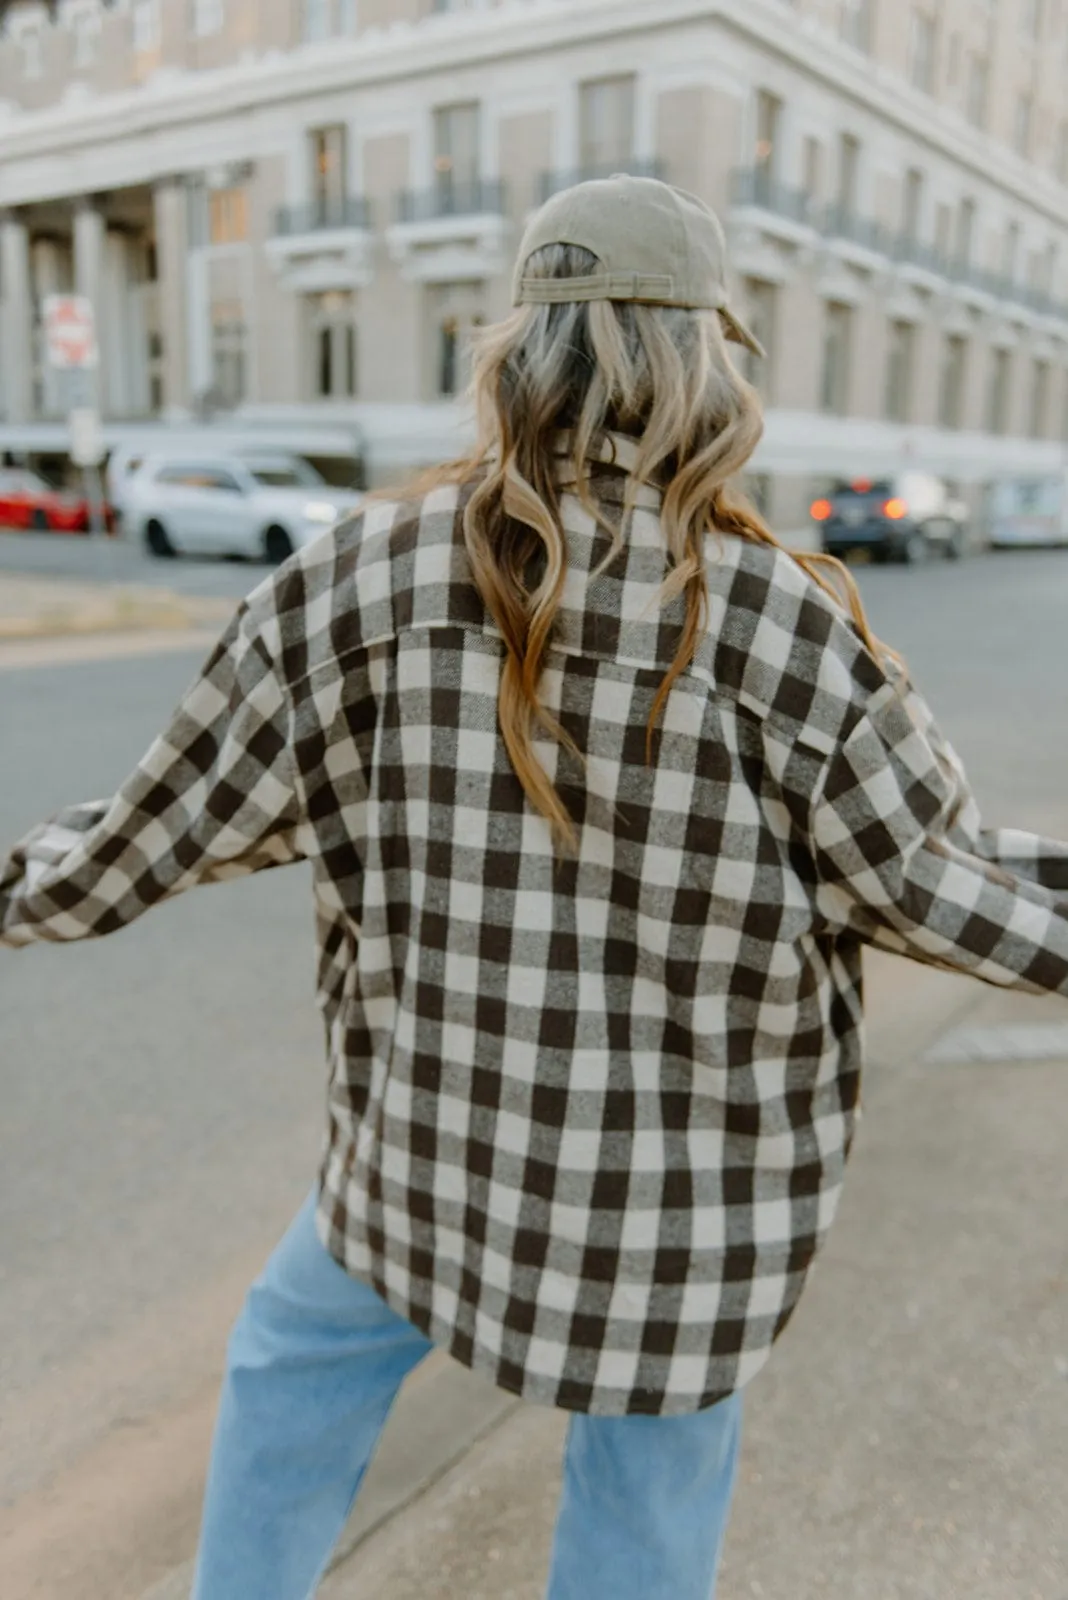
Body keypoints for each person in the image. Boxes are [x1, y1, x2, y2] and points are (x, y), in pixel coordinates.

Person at [3, 175, 1067, 1600]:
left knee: (289, 1362)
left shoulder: (349, 581)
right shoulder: (787, 628)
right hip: (683, 1219)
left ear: (517, 351)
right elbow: (938, 889)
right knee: (646, 1488)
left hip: (421, 1164)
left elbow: (153, 834)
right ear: (702, 369)